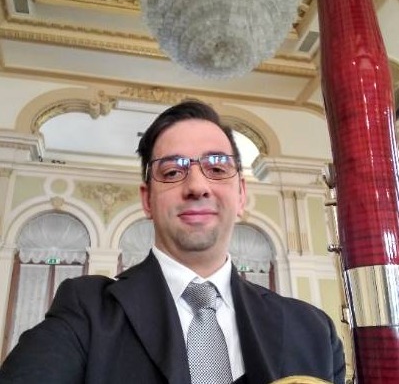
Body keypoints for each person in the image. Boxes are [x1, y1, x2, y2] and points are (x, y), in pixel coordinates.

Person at [0, 100, 345, 384]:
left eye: (217, 168)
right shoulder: (86, 311)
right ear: (147, 199)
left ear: (241, 194)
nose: (197, 186)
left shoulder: (312, 330)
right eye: (172, 172)